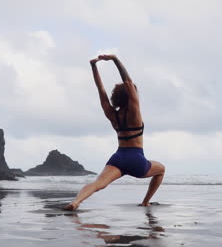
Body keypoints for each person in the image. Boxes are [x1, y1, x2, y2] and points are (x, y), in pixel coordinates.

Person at [63, 54, 165, 210]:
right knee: (161, 169)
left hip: (118, 158)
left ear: (116, 98)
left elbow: (101, 90)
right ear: (132, 96)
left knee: (98, 184)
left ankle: (76, 202)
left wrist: (94, 67)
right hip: (136, 159)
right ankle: (145, 201)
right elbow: (128, 82)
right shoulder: (134, 114)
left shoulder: (112, 114)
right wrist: (115, 60)